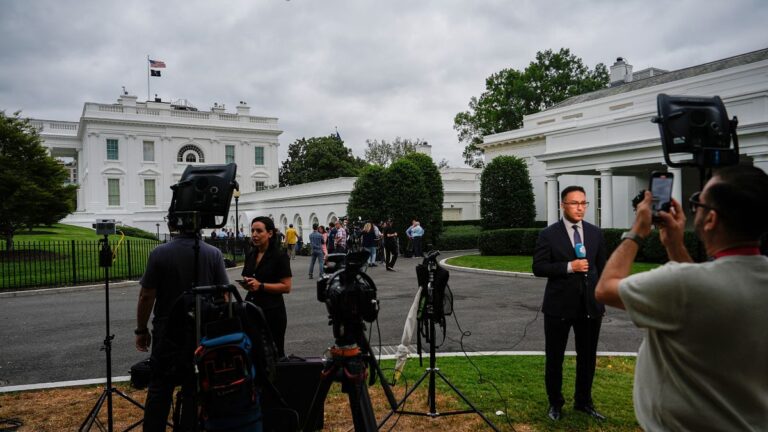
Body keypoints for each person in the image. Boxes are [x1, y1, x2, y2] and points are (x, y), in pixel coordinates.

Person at [595, 166, 768, 431]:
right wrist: (675, 246)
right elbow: (700, 300)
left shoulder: (683, 285)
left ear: (710, 219)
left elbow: (606, 289)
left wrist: (637, 231)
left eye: (697, 201)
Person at [135, 217, 229, 431]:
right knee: (193, 388)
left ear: (172, 224)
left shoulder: (160, 253)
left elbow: (146, 296)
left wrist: (141, 329)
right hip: (202, 329)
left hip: (167, 329)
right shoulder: (213, 254)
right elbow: (224, 295)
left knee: (160, 386)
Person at [532, 185, 607, 422]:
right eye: (574, 203)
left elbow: (602, 268)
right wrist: (568, 267)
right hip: (559, 307)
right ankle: (555, 403)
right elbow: (538, 267)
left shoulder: (596, 233)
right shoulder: (549, 234)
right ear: (563, 205)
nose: (580, 208)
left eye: (583, 203)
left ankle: (583, 402)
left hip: (590, 307)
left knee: (588, 358)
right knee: (555, 358)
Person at [241, 216, 293, 358]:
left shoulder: (279, 256)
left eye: (259, 231)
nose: (254, 235)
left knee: (274, 353)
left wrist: (261, 286)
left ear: (270, 233)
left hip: (272, 311)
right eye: (252, 231)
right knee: (253, 352)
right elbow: (249, 276)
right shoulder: (251, 253)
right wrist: (247, 283)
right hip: (251, 308)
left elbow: (286, 287)